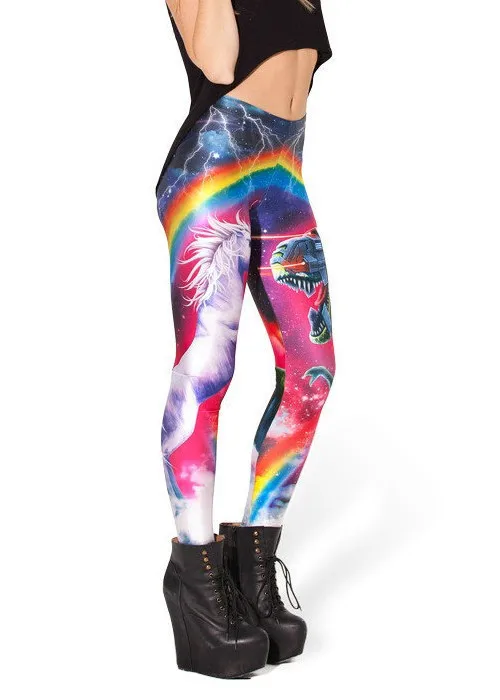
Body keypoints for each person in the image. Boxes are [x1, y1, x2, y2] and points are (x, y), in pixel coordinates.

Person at [156, 0, 335, 678]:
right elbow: (218, 60)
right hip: (213, 170)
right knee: (208, 368)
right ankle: (194, 579)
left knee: (312, 372)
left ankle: (250, 563)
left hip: (283, 173)